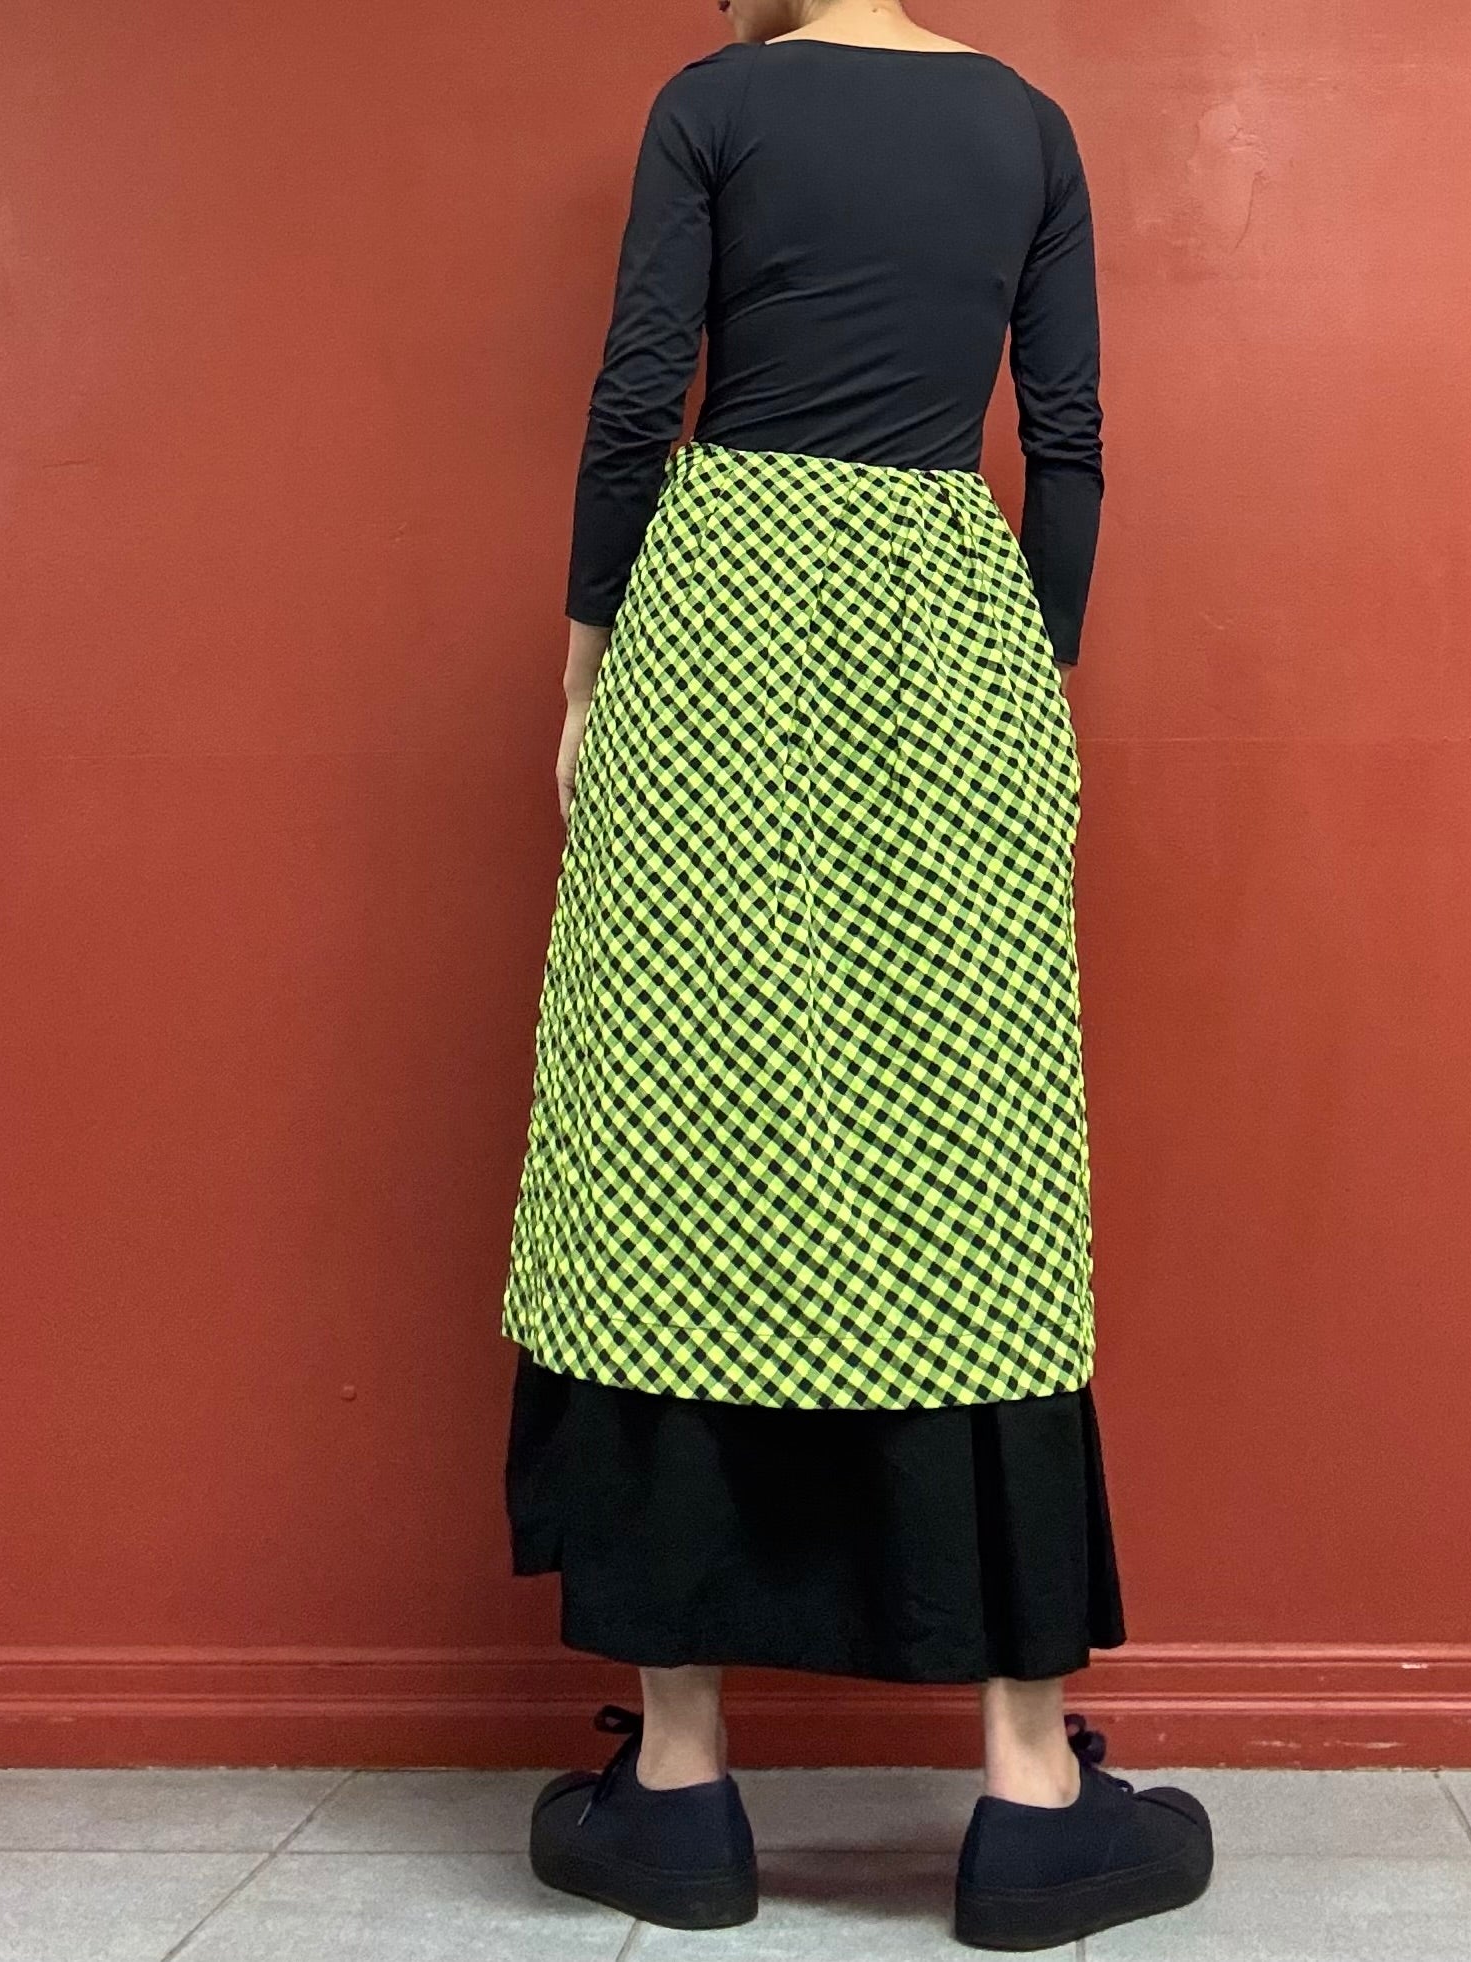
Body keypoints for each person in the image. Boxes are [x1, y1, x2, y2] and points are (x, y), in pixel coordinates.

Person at [499, 1, 1213, 1947]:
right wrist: (1026, 682)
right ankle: (1031, 1791)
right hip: (943, 625)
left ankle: (676, 1788)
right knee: (975, 1162)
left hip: (717, 614)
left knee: (677, 1144)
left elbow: (638, 395)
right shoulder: (1025, 124)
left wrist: (586, 661)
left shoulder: (714, 102)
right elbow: (1064, 441)